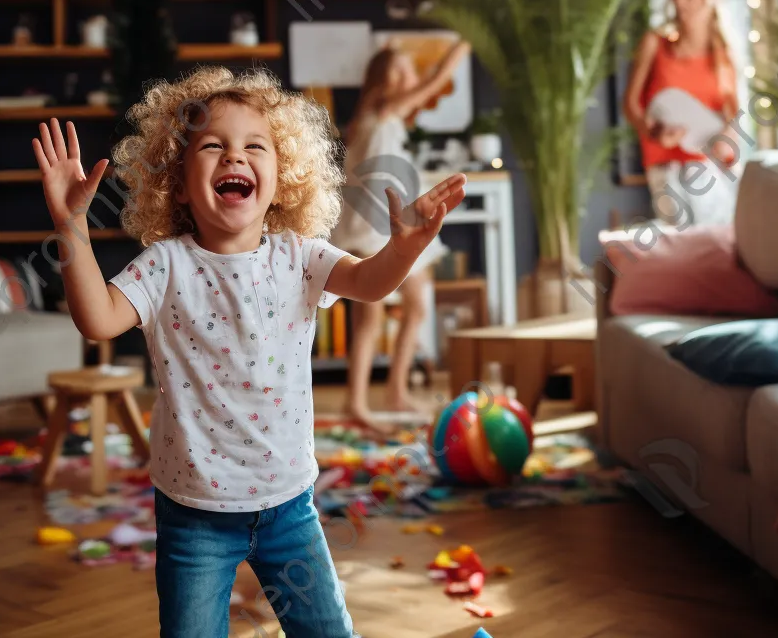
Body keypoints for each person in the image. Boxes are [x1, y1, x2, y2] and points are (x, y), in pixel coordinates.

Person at [31, 66, 465, 638]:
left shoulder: (301, 256)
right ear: (179, 184)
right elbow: (97, 320)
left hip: (289, 507)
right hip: (194, 515)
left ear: (282, 177)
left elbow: (371, 282)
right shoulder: (166, 265)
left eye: (253, 146)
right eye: (213, 146)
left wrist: (405, 248)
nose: (234, 157)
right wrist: (71, 228)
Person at [333, 40, 471, 433]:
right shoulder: (382, 111)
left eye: (407, 71)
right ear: (385, 81)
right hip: (368, 226)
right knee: (369, 317)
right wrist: (462, 43)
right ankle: (355, 402)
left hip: (392, 224)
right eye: (400, 72)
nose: (408, 80)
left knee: (417, 304)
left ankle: (395, 390)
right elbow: (439, 78)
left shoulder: (382, 119)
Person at [624, 0, 740, 227]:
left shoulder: (723, 56)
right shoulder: (655, 44)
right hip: (665, 162)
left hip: (707, 163)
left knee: (714, 233)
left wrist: (727, 137)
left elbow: (732, 114)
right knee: (680, 232)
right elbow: (631, 103)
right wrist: (653, 130)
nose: (679, 2)